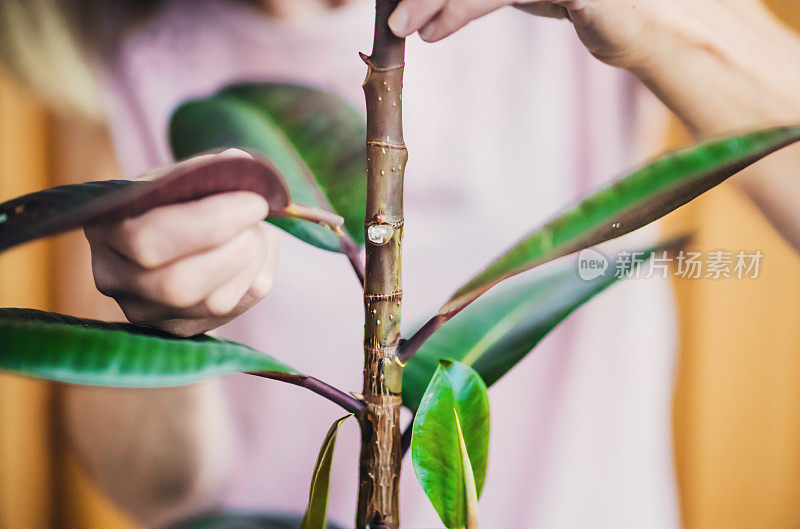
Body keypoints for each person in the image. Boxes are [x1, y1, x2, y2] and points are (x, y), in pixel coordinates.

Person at [1, 0, 798, 527]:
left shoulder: (550, 28)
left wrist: (674, 20)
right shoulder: (124, 44)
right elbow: (150, 483)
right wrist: (168, 324)